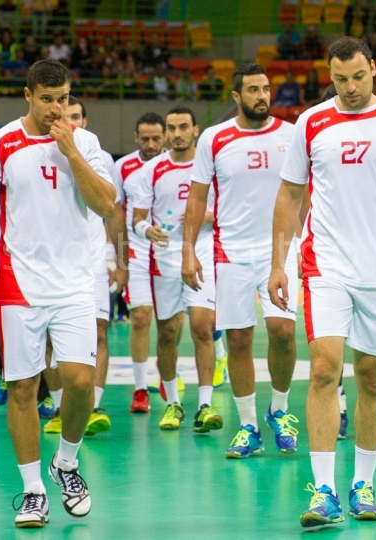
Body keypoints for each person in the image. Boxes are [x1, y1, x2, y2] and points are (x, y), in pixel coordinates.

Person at [271, 37, 376, 530]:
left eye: (357, 77)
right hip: (325, 262)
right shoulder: (312, 122)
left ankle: (363, 483)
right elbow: (288, 196)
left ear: (374, 69)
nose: (348, 88)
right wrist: (279, 262)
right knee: (325, 367)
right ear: (329, 75)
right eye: (339, 79)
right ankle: (324, 490)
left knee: (371, 375)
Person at [0, 59, 117, 528]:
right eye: (47, 100)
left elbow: (105, 204)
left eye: (63, 99)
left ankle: (66, 462)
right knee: (23, 387)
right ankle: (31, 491)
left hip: (74, 283)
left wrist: (71, 152)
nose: (56, 109)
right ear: (28, 96)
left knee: (80, 382)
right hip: (19, 281)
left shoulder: (84, 141)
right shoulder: (0, 144)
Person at [182, 63, 300, 459]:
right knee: (238, 338)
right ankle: (248, 425)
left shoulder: (291, 134)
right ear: (236, 96)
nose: (262, 96)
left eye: (266, 88)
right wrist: (187, 249)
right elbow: (197, 198)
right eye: (253, 90)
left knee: (283, 330)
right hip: (230, 251)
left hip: (280, 250)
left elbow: (305, 193)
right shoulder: (214, 139)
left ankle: (279, 411)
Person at [41, 97, 128, 436]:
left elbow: (113, 210)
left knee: (100, 331)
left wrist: (119, 261)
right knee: (50, 338)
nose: (67, 118)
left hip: (92, 260)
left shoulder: (99, 156)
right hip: (50, 263)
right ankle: (63, 407)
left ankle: (94, 406)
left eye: (75, 115)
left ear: (84, 121)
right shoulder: (37, 150)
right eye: (65, 113)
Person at [132, 106, 222, 433]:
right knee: (168, 333)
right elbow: (138, 217)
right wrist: (146, 231)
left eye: (184, 126)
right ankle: (172, 403)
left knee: (202, 326)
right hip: (165, 258)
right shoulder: (152, 170)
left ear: (196, 129)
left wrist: (209, 217)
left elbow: (230, 208)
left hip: (204, 253)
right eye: (172, 128)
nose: (177, 133)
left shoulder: (210, 167)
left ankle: (205, 404)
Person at [112, 113, 166, 414]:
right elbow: (117, 213)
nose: (150, 144)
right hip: (137, 249)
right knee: (141, 317)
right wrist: (120, 255)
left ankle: (166, 373)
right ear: (135, 137)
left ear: (165, 137)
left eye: (156, 138)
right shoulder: (124, 168)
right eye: (144, 138)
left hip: (171, 251)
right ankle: (140, 388)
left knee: (171, 323)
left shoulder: (175, 164)